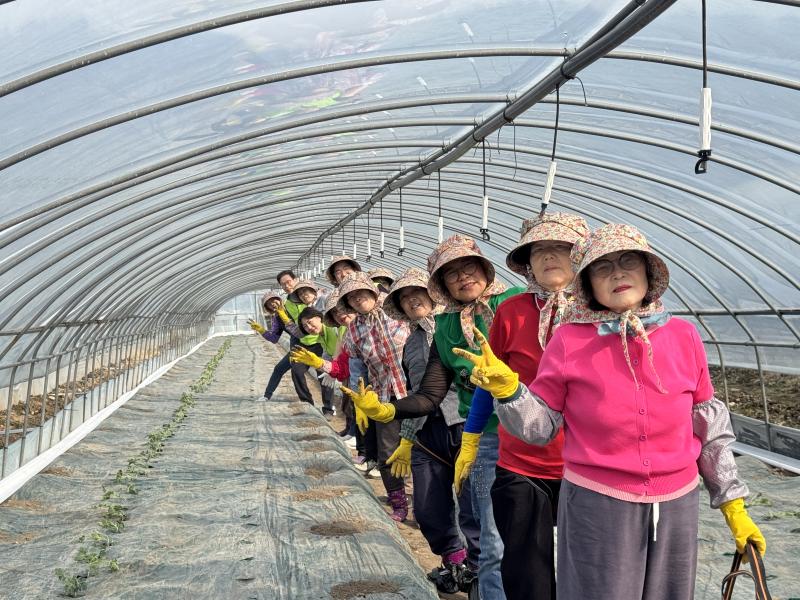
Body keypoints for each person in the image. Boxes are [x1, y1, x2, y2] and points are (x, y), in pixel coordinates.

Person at [458, 223, 766, 600]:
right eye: (603, 267)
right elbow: (540, 427)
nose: (617, 273)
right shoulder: (569, 340)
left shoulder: (683, 335)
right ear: (588, 284)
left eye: (628, 262)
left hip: (677, 503)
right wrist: (511, 393)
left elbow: (708, 425)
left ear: (648, 272)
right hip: (598, 501)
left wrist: (733, 505)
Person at [343, 234, 524, 600]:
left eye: (468, 268)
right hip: (465, 431)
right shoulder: (437, 331)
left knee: (489, 524)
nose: (462, 277)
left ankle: (478, 573)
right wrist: (388, 411)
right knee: (450, 514)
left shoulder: (511, 304)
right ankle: (463, 568)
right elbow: (428, 393)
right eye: (451, 274)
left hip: (505, 428)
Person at [456, 212, 589, 600]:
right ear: (527, 263)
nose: (549, 257)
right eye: (539, 250)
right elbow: (490, 380)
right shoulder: (512, 311)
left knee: (585, 570)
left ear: (581, 256)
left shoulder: (602, 314)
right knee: (523, 570)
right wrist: (471, 438)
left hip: (587, 467)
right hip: (522, 463)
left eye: (560, 248)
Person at [381, 267, 480, 593]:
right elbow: (417, 393)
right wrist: (407, 438)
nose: (412, 301)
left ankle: (477, 572)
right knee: (427, 507)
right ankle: (454, 561)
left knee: (473, 507)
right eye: (405, 298)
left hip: (464, 426)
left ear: (434, 294)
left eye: (418, 293)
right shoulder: (410, 343)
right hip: (427, 433)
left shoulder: (455, 326)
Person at [337, 271, 411, 521]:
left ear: (372, 290)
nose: (358, 299)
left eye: (361, 292)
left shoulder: (396, 310)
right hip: (383, 396)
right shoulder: (354, 329)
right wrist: (360, 402)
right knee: (388, 453)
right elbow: (356, 366)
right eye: (351, 297)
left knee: (422, 449)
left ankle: (425, 500)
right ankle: (398, 503)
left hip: (414, 391)